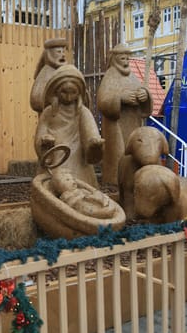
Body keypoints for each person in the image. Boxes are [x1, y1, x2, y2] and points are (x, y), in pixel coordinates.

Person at [35, 64, 104, 188]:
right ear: (56, 90)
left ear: (79, 92)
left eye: (73, 92)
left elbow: (91, 132)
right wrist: (44, 141)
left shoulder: (83, 112)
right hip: (55, 154)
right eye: (64, 92)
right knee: (50, 186)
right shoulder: (49, 112)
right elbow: (40, 134)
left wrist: (93, 144)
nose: (68, 97)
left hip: (76, 155)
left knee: (81, 186)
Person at [97, 43, 152, 186]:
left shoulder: (133, 77)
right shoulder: (110, 76)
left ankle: (133, 180)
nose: (126, 62)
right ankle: (115, 181)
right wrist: (120, 98)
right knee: (118, 155)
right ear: (115, 59)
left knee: (134, 153)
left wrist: (144, 95)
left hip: (133, 124)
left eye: (128, 59)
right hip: (116, 126)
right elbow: (102, 101)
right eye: (123, 59)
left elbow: (144, 100)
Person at [51, 170, 115, 219]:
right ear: (59, 187)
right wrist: (81, 197)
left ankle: (104, 205)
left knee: (98, 198)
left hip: (91, 204)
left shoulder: (80, 190)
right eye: (67, 180)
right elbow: (69, 206)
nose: (73, 182)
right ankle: (103, 209)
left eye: (72, 179)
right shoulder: (65, 195)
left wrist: (89, 194)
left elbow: (90, 193)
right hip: (83, 208)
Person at [30, 38, 68, 114]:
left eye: (63, 52)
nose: (63, 55)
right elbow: (35, 100)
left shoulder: (62, 72)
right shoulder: (46, 73)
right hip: (49, 122)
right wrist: (54, 101)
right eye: (59, 52)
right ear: (49, 54)